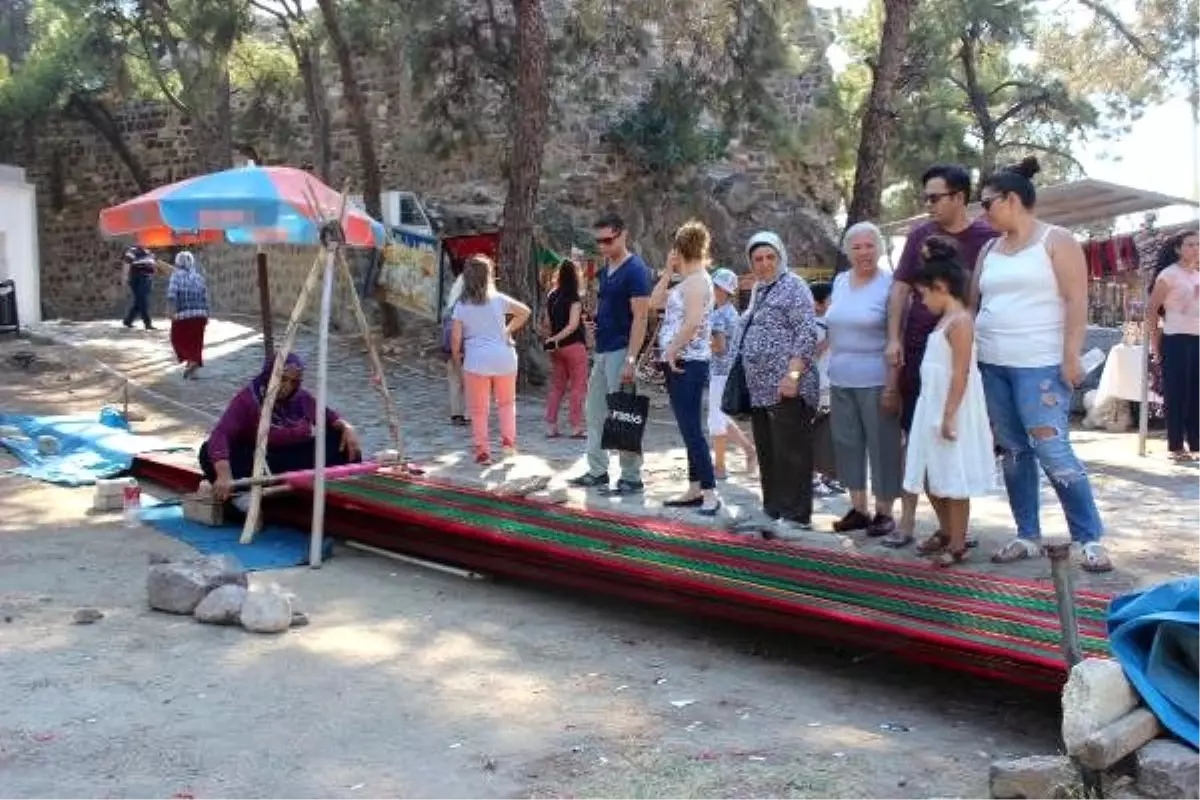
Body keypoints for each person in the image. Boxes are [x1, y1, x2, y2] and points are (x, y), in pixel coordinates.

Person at [970, 156, 1112, 573]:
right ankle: (1027, 534)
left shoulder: (1056, 239)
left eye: (988, 203)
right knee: (1013, 451)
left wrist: (1070, 354)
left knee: (1052, 449)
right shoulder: (989, 248)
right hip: (993, 362)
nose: (984, 212)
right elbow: (975, 301)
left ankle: (1089, 538)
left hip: (1041, 366)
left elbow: (1076, 300)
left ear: (1011, 200)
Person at [886, 164, 997, 547]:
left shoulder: (988, 235)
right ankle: (947, 529)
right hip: (922, 352)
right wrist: (893, 339)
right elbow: (900, 289)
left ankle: (958, 535)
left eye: (935, 197)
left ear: (959, 197)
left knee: (954, 448)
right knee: (923, 446)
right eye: (926, 197)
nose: (928, 205)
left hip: (961, 356)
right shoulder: (919, 235)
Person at [903, 237, 996, 567]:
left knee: (954, 477)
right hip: (931, 403)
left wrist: (949, 413)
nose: (922, 300)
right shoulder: (942, 321)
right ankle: (945, 530)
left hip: (951, 405)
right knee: (930, 474)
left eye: (924, 293)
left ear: (941, 286)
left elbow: (960, 372)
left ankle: (958, 542)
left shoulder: (960, 322)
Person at [729, 231, 820, 539]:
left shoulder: (794, 287)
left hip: (786, 385)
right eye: (758, 258)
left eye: (770, 257)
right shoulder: (759, 289)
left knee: (792, 452)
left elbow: (806, 334)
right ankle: (774, 509)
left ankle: (797, 516)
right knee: (769, 451)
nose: (764, 264)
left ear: (780, 257)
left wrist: (792, 376)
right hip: (759, 388)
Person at [199, 354, 362, 507]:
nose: (287, 387)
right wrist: (224, 474)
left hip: (292, 461)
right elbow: (222, 433)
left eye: (293, 382)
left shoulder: (301, 398)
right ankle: (247, 494)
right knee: (208, 451)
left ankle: (298, 487)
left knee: (341, 442)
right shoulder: (249, 399)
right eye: (282, 379)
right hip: (259, 461)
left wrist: (347, 428)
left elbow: (331, 418)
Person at [825, 222, 904, 538]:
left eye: (869, 246)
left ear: (879, 249)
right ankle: (858, 507)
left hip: (876, 377)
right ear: (848, 252)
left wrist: (892, 384)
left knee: (883, 446)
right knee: (847, 443)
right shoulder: (841, 281)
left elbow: (897, 338)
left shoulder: (891, 285)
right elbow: (830, 325)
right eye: (856, 247)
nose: (863, 253)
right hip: (840, 375)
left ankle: (884, 512)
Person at [569, 212, 653, 496]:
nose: (603, 246)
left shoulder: (636, 270)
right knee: (594, 412)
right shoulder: (606, 271)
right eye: (599, 242)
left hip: (621, 350)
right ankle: (597, 469)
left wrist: (631, 359)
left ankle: (631, 475)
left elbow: (641, 318)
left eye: (608, 240)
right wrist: (593, 328)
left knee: (624, 413)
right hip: (604, 349)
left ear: (622, 235)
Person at [650, 223, 721, 515]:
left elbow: (692, 322)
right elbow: (653, 303)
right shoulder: (688, 281)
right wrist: (668, 271)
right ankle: (695, 487)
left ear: (680, 248)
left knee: (692, 428)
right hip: (681, 361)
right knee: (687, 426)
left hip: (686, 362)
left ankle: (710, 492)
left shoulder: (696, 283)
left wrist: (671, 350)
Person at [450, 254, 532, 465]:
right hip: (504, 356)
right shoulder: (499, 300)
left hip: (476, 360)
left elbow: (456, 340)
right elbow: (525, 312)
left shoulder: (461, 305)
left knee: (479, 410)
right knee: (506, 404)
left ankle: (483, 452)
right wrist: (506, 330)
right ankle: (509, 445)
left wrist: (458, 363)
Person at [1146, 229, 1200, 461]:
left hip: (1197, 337)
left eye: (1198, 244)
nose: (1195, 249)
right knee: (1176, 393)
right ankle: (1175, 446)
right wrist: (1155, 343)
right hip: (1175, 338)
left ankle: (1196, 443)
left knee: (1196, 393)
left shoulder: (1197, 275)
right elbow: (1151, 311)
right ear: (1178, 248)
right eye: (1190, 244)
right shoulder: (1168, 275)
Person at [708, 267, 756, 479]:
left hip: (720, 373)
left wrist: (698, 343)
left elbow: (719, 347)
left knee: (716, 419)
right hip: (728, 372)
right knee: (721, 416)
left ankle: (719, 466)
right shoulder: (731, 313)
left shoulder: (719, 315)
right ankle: (748, 449)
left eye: (715, 286)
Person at [542, 259, 588, 439]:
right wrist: (557, 338)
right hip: (574, 346)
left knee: (557, 387)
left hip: (557, 350)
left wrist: (551, 340)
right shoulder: (575, 299)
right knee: (578, 387)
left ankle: (551, 426)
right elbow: (573, 325)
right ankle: (576, 426)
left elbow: (546, 323)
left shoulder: (551, 296)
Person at [809, 281, 843, 497]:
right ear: (818, 304)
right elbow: (812, 355)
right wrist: (830, 339)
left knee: (831, 434)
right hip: (818, 386)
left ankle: (828, 476)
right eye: (831, 300)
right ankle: (811, 478)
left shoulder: (832, 325)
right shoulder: (814, 326)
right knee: (815, 433)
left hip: (833, 384)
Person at [165, 250, 209, 379]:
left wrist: (170, 311)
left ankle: (192, 362)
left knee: (176, 339)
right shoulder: (199, 277)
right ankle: (193, 369)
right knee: (196, 343)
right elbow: (205, 297)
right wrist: (207, 314)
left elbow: (172, 295)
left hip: (183, 315)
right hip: (200, 315)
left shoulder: (176, 276)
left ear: (178, 262)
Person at [443, 271, 468, 426]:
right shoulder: (469, 305)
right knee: (469, 381)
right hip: (466, 347)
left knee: (454, 381)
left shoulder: (450, 307)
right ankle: (468, 412)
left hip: (450, 349)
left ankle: (456, 413)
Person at [122, 245, 158, 330]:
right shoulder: (132, 250)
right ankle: (147, 323)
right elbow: (126, 264)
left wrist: (153, 277)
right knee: (142, 300)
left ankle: (128, 321)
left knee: (139, 301)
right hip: (137, 278)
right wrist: (124, 276)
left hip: (148, 278)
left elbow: (154, 265)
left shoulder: (150, 252)